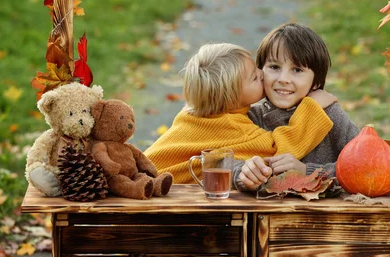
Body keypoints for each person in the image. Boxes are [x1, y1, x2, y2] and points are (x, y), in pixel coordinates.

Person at [144, 43, 337, 184]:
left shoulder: (190, 114)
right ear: (231, 97)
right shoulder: (233, 126)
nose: (262, 73)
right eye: (254, 77)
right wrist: (312, 107)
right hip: (152, 193)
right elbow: (278, 150)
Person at [235, 23, 359, 191]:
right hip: (266, 215)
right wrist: (243, 174)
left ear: (316, 81)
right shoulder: (252, 116)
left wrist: (307, 171)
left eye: (297, 70)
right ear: (260, 71)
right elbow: (222, 161)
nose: (284, 79)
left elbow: (363, 164)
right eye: (274, 67)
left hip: (320, 215)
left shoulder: (329, 113)